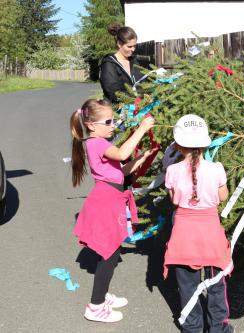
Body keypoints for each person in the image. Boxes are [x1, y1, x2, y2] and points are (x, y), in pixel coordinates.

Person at [70, 99, 155, 322]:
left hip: (111, 197)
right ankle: (95, 306)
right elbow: (121, 154)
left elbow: (121, 169)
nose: (113, 125)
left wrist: (141, 158)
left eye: (114, 120)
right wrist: (143, 129)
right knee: (110, 254)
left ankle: (102, 295)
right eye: (108, 122)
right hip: (106, 201)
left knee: (112, 252)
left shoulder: (99, 142)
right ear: (91, 125)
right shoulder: (96, 142)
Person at [163, 114, 233, 333]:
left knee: (187, 285)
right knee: (215, 284)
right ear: (205, 143)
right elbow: (223, 197)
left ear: (178, 145)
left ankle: (192, 327)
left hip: (183, 235)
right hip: (211, 234)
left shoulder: (172, 171)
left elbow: (174, 200)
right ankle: (218, 328)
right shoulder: (217, 169)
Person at [100, 25, 142, 104]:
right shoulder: (109, 64)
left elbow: (142, 83)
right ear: (119, 44)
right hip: (116, 110)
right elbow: (114, 92)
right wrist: (136, 98)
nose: (133, 49)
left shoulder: (134, 61)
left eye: (134, 46)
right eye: (129, 46)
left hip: (136, 107)